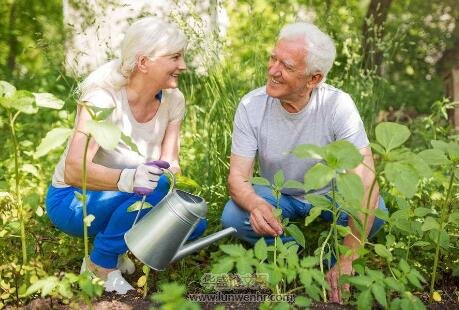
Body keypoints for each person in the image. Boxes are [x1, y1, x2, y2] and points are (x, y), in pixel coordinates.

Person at [221, 22, 387, 303]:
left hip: (330, 197)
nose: (273, 70)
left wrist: (349, 256)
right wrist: (256, 205)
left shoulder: (338, 106)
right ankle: (294, 259)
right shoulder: (251, 106)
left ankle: (334, 265)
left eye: (285, 65)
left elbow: (366, 180)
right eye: (273, 58)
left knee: (376, 211)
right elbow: (238, 178)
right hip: (280, 195)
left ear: (313, 79)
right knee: (234, 216)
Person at [45, 17, 207, 294]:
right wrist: (131, 178)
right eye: (175, 57)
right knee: (156, 190)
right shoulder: (103, 98)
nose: (183, 66)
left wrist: (170, 185)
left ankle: (117, 247)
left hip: (127, 194)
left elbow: (172, 163)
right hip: (73, 200)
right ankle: (100, 265)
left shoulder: (173, 100)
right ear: (144, 62)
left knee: (193, 223)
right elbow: (74, 170)